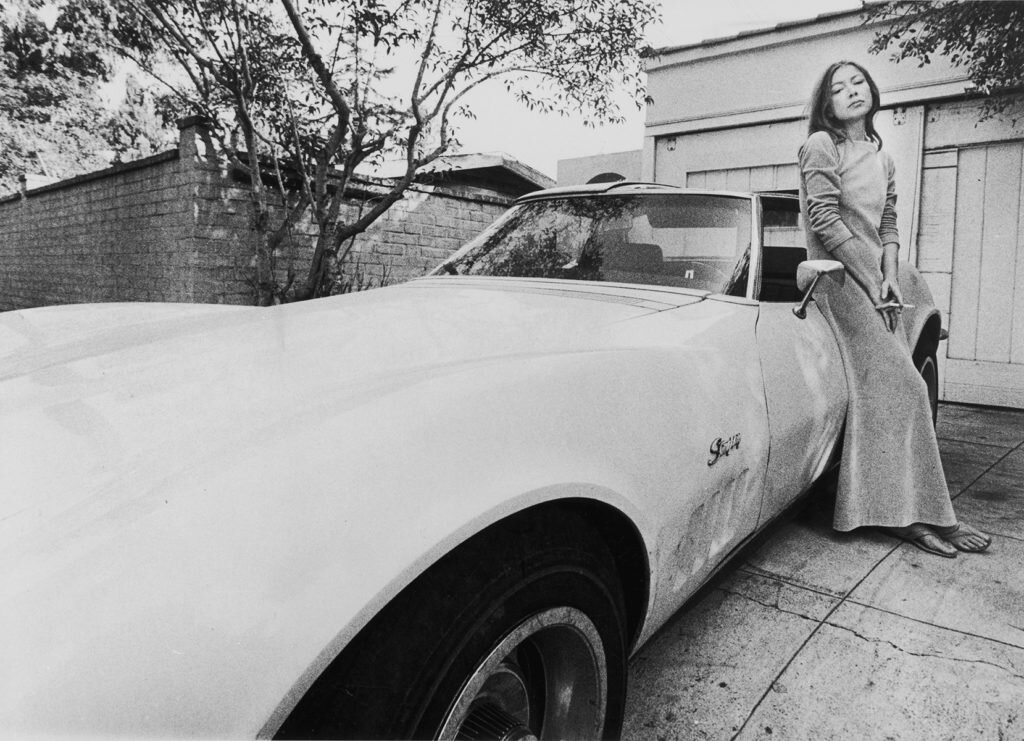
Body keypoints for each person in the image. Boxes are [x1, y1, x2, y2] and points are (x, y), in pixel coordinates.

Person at [797, 60, 991, 557]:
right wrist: (868, 281)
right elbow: (823, 221)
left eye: (858, 82)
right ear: (828, 105)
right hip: (834, 281)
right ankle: (918, 517)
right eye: (838, 88)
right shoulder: (822, 146)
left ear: (873, 91)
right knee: (906, 385)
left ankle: (915, 511)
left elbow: (887, 228)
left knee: (897, 389)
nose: (851, 91)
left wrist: (888, 275)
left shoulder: (881, 159)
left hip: (876, 283)